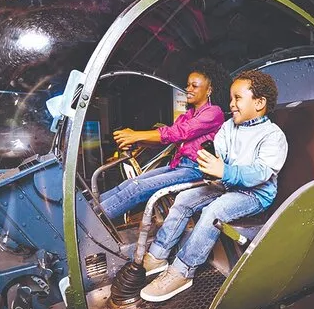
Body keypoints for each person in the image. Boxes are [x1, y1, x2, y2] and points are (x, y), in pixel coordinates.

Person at [140, 70, 287, 302]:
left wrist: (225, 171)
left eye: (237, 98)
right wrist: (212, 161)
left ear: (259, 103)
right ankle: (157, 256)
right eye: (231, 98)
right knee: (184, 199)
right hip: (226, 185)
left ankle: (183, 271)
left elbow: (261, 173)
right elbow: (220, 153)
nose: (232, 104)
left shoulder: (272, 136)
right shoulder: (229, 127)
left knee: (214, 211)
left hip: (255, 194)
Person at [98, 58, 231, 221]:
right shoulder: (187, 115)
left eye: (194, 86)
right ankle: (88, 208)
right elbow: (167, 140)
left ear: (209, 90)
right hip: (178, 166)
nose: (188, 89)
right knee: (129, 184)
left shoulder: (214, 112)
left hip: (195, 169)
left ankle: (93, 219)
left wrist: (136, 135)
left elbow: (180, 132)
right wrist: (136, 141)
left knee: (138, 188)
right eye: (188, 85)